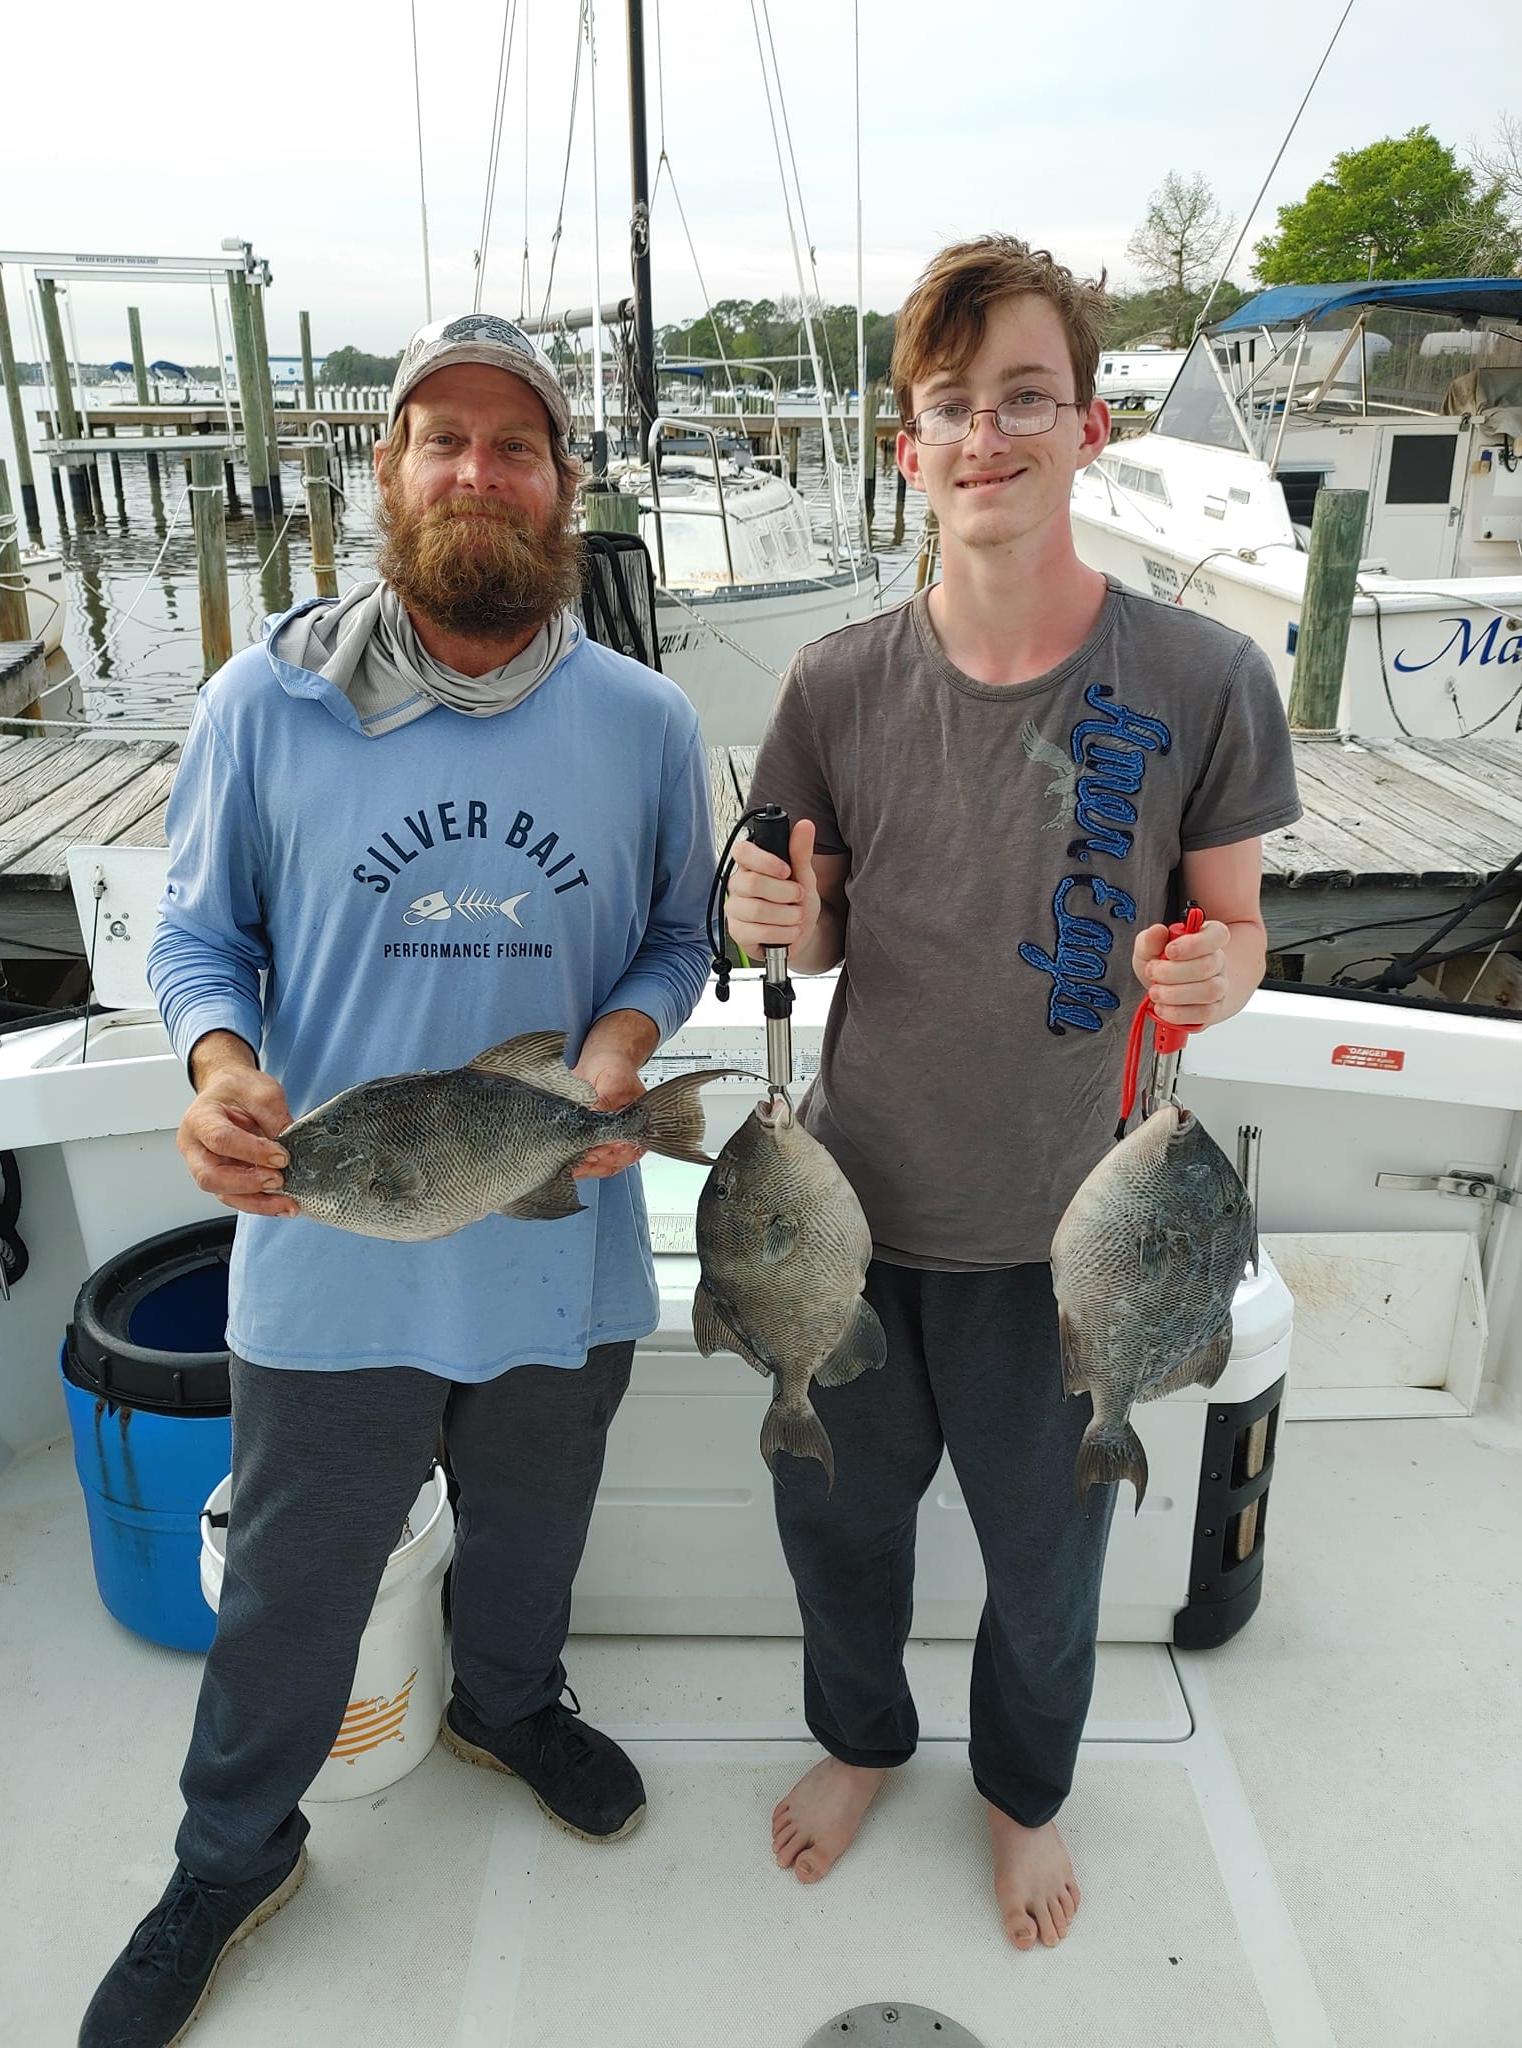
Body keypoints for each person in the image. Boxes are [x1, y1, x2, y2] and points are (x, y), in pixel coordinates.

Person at [79, 313, 715, 2048]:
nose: (479, 474)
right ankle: (232, 1853)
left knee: (533, 1527)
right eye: (444, 439)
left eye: (517, 448)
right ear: (387, 472)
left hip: (546, 1229)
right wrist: (216, 1070)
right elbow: (197, 943)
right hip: (329, 1238)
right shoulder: (262, 701)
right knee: (295, 1578)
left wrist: (623, 1053)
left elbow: (677, 936)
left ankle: (508, 1704)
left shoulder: (649, 720)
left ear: (565, 489)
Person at [725, 236, 1301, 1952]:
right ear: (910, 446)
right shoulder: (831, 683)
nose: (989, 435)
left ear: (1089, 424)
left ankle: (1020, 1793)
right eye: (954, 408)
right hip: (853, 1225)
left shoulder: (1204, 680)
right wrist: (772, 910)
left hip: (1080, 1240)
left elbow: (1241, 924)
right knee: (833, 1521)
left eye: (1024, 400)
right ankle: (862, 1740)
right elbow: (807, 927)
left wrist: (1222, 969)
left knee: (1049, 1580)